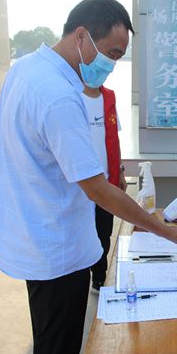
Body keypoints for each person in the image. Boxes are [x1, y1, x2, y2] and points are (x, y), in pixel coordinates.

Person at [0, 0, 177, 354]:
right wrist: (162, 229)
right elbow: (97, 189)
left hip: (33, 231)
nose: (111, 65)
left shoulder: (26, 69)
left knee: (49, 339)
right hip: (57, 249)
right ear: (81, 36)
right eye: (111, 53)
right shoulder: (60, 96)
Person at [80, 74, 126, 295]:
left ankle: (99, 277)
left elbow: (114, 139)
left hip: (106, 183)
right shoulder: (72, 97)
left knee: (103, 233)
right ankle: (81, 275)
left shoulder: (108, 98)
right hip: (80, 184)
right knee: (81, 233)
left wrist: (121, 172)